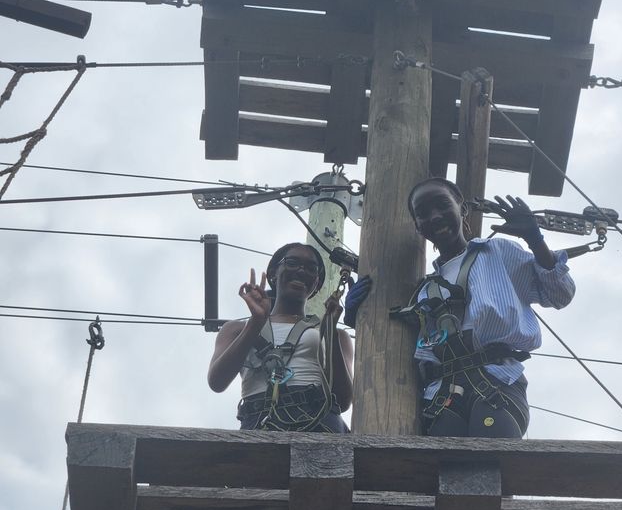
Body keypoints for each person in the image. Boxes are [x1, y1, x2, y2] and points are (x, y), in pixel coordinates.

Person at [345, 178, 575, 438]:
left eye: (442, 205)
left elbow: (560, 294)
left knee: (492, 460)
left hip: (496, 379)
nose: (434, 216)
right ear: (418, 227)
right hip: (441, 394)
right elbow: (397, 343)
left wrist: (535, 240)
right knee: (445, 470)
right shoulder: (422, 291)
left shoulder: (496, 253)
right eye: (423, 214)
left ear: (462, 209)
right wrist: (359, 316)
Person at [208, 242, 353, 432]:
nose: (302, 271)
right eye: (292, 263)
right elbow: (217, 382)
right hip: (259, 422)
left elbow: (342, 401)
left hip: (319, 424)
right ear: (273, 274)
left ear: (316, 284)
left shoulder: (333, 333)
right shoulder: (236, 329)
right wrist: (256, 322)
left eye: (311, 269)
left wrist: (331, 331)